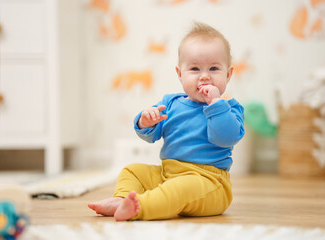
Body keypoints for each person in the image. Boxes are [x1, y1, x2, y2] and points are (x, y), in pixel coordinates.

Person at [88, 22, 245, 221]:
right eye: (195, 69)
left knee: (179, 188)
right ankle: (120, 199)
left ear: (228, 74)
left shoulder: (229, 108)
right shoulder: (171, 103)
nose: (205, 76)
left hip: (209, 182)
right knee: (133, 171)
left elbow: (225, 137)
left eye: (214, 69)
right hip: (167, 173)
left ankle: (139, 208)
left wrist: (215, 103)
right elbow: (150, 136)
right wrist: (146, 121)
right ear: (180, 74)